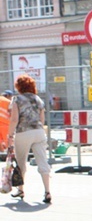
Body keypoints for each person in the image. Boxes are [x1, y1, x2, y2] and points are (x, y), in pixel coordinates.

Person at [6, 74, 51, 203]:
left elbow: (14, 119)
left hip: (23, 132)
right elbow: (42, 119)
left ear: (19, 87)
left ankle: (20, 190)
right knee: (43, 161)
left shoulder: (17, 100)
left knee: (21, 162)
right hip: (38, 131)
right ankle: (47, 191)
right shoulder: (38, 99)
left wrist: (10, 135)